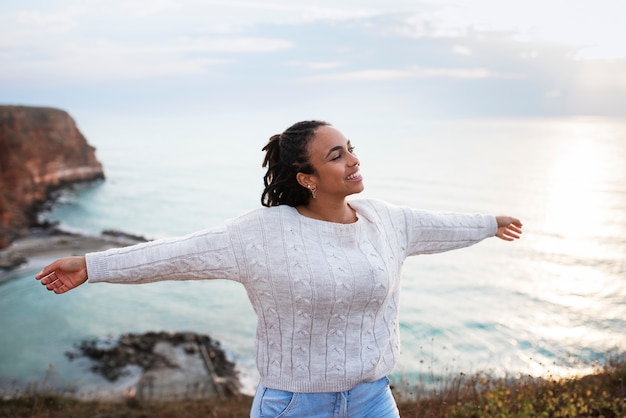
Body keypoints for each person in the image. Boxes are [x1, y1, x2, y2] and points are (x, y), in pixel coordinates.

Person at [36, 120, 522, 417]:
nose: (354, 160)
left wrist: (489, 222)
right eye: (337, 155)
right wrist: (92, 265)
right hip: (294, 406)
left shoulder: (385, 219)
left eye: (350, 147)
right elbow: (176, 253)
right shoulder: (262, 233)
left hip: (373, 401)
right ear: (307, 178)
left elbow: (439, 226)